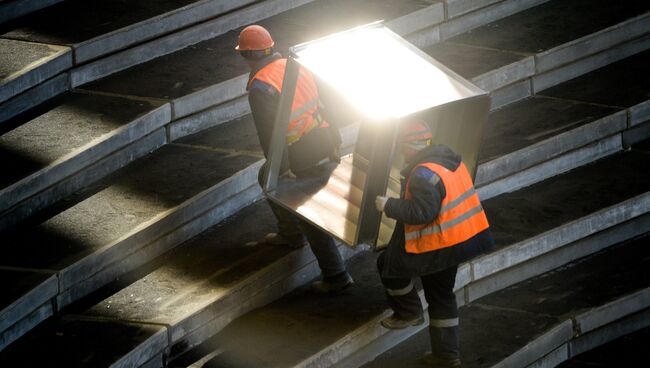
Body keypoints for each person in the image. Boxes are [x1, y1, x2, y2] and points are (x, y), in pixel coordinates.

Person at [235, 24, 353, 293]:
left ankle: (336, 276)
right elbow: (326, 104)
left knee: (305, 208)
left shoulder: (261, 86)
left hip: (302, 152)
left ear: (247, 56)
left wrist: (283, 170)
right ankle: (290, 234)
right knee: (265, 176)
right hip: (323, 139)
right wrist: (336, 142)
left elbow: (270, 135)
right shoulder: (295, 65)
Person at [374, 120, 495, 367]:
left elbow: (421, 212)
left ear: (409, 146)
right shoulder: (448, 161)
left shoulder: (423, 174)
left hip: (440, 244)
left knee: (388, 264)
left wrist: (388, 205)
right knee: (440, 295)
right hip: (460, 241)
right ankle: (447, 355)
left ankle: (409, 312)